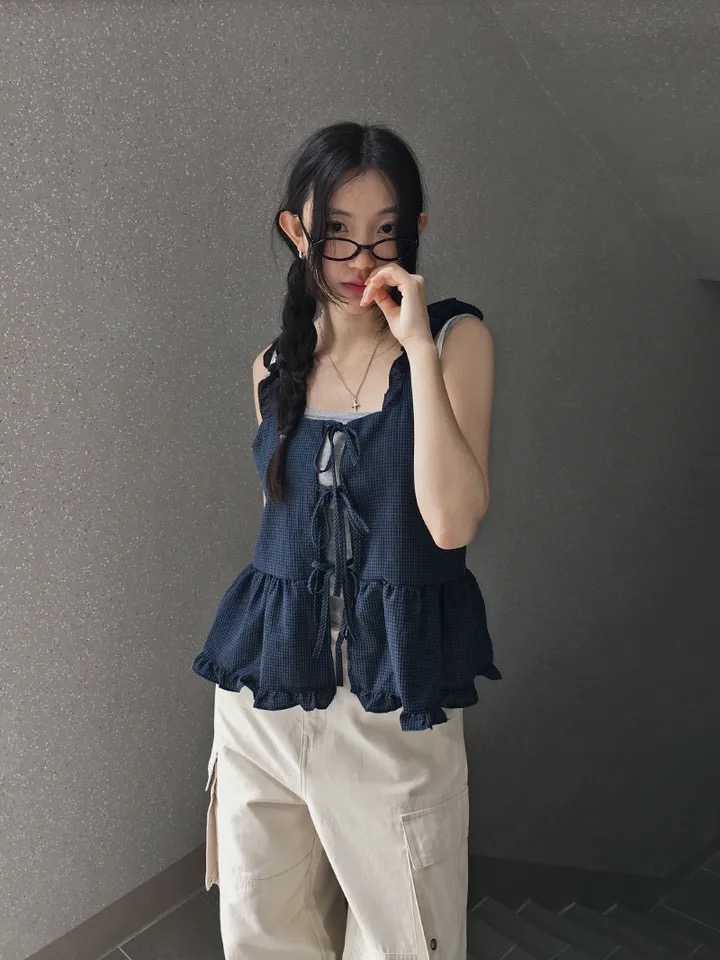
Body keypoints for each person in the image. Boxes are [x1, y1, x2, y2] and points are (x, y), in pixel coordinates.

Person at [192, 120, 501, 959]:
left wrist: (416, 348)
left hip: (394, 704)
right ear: (297, 231)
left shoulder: (456, 342)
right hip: (265, 700)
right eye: (336, 232)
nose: (361, 258)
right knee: (263, 940)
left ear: (416, 232)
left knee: (406, 942)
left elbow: (451, 522)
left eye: (384, 232)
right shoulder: (272, 369)